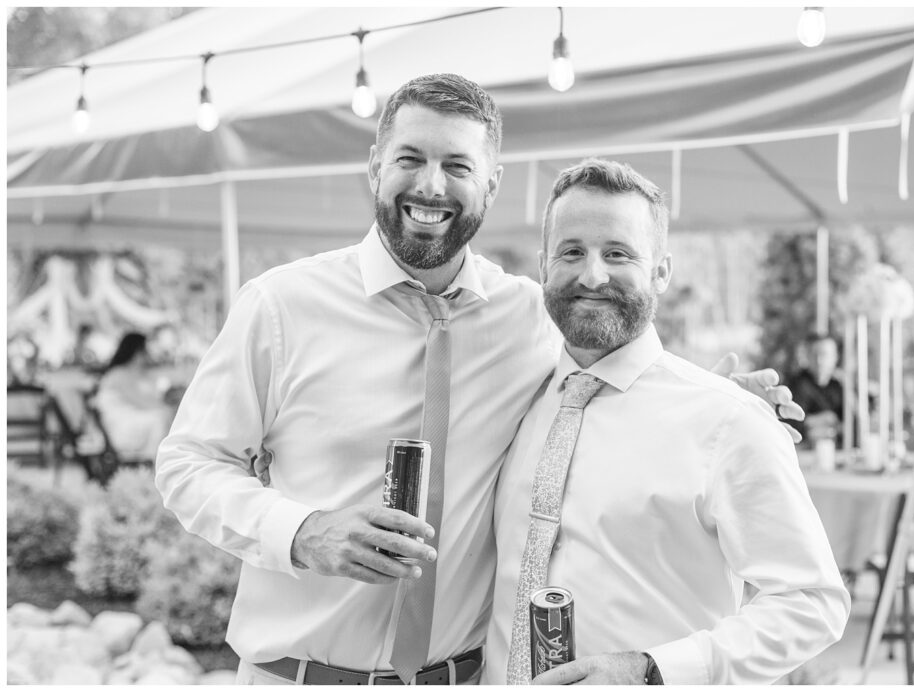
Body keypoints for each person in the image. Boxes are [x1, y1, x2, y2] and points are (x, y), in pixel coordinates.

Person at [154, 74, 803, 686]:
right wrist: (302, 532)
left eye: (457, 166)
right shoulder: (279, 307)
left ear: (491, 187)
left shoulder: (532, 316)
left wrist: (714, 401)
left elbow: (614, 377)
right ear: (376, 167)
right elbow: (189, 463)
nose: (431, 186)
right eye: (410, 159)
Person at [483, 159, 850, 685]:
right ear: (544, 266)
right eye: (572, 252)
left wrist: (652, 671)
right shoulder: (518, 398)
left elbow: (812, 602)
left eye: (618, 253)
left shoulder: (729, 420)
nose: (592, 274)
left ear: (661, 272)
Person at [94, 332, 174, 461]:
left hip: (132, 423)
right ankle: (157, 464)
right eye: (144, 351)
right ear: (136, 352)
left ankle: (162, 463)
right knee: (163, 417)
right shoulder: (119, 374)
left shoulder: (130, 373)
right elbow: (144, 402)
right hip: (122, 430)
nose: (147, 355)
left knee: (164, 415)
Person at [790, 333, 845, 448]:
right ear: (808, 357)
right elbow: (793, 423)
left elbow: (854, 424)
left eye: (824, 355)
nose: (819, 361)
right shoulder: (797, 384)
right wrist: (827, 418)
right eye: (814, 355)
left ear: (835, 357)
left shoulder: (841, 386)